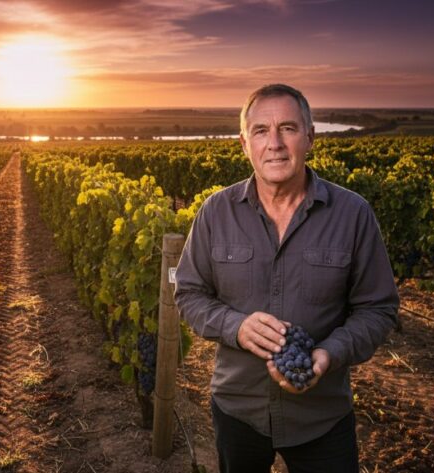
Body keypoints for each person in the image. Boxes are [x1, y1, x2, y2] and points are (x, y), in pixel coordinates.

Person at [174, 83, 399, 473]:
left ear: (310, 137)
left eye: (288, 129)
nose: (274, 143)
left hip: (322, 418)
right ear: (245, 143)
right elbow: (190, 293)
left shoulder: (353, 214)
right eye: (261, 131)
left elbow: (378, 309)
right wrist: (235, 326)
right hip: (238, 409)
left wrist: (330, 353)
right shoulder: (215, 212)